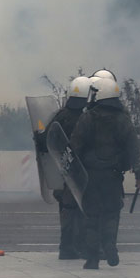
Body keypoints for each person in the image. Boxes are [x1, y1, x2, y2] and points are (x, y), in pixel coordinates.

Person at [70, 77, 140, 269]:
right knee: (111, 213)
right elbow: (133, 148)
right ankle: (110, 244)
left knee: (92, 216)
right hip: (113, 176)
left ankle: (93, 258)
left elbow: (75, 146)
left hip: (91, 176)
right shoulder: (123, 119)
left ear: (100, 94)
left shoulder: (87, 118)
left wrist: (71, 172)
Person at [42, 76, 93, 259]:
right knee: (79, 211)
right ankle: (77, 247)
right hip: (78, 173)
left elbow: (45, 141)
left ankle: (67, 247)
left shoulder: (60, 116)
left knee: (67, 211)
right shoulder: (85, 118)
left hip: (61, 173)